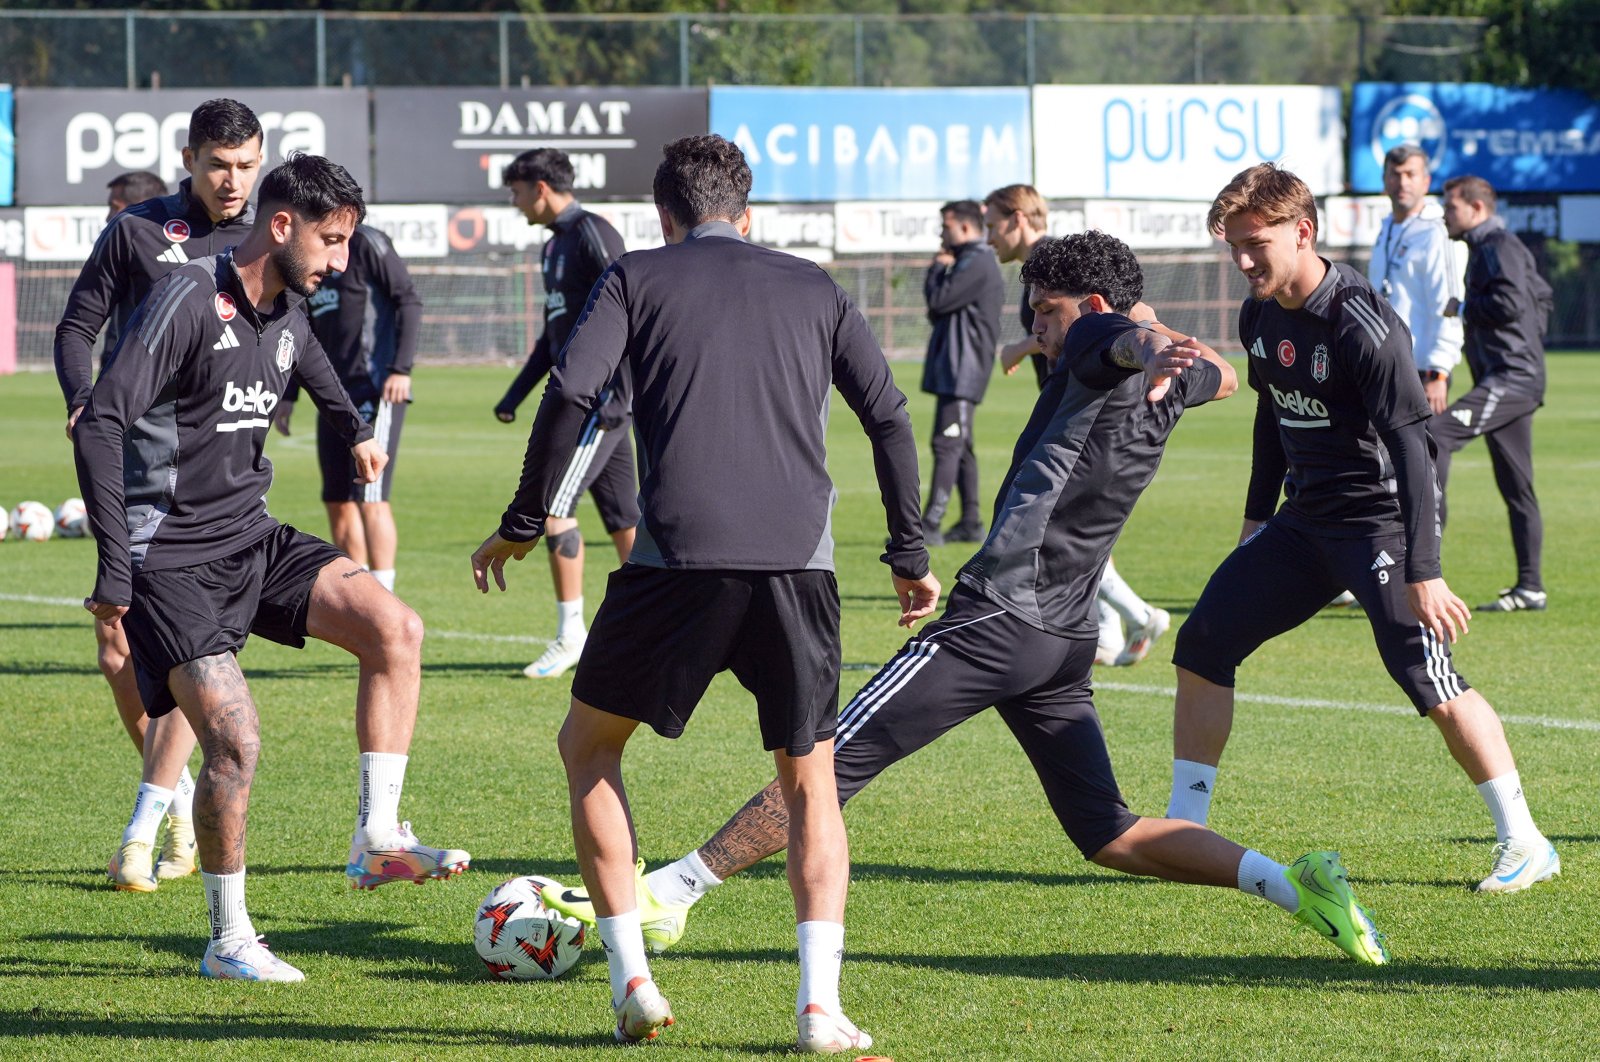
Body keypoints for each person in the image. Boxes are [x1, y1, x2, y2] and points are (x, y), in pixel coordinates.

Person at [541, 231, 1393, 976]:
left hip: (996, 619)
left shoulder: (1102, 341)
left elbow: (1110, 339)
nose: (1037, 331)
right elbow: (1219, 375)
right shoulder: (1170, 382)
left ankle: (674, 893)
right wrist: (1171, 348)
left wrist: (1136, 337)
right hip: (1063, 636)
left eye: (1044, 313)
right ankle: (1297, 885)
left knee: (823, 763)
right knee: (1108, 832)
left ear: (1091, 305)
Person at [470, 134, 940, 1051]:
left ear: (663, 215)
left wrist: (528, 518)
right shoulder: (814, 285)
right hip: (798, 571)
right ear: (747, 211)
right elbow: (887, 414)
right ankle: (818, 1009)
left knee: (590, 748)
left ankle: (632, 980)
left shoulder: (637, 275)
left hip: (672, 566)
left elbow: (571, 392)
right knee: (811, 789)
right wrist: (909, 551)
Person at [73, 153, 470, 982]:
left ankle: (376, 839)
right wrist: (116, 570)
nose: (340, 262)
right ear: (281, 225)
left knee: (396, 628)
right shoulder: (187, 299)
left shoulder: (286, 306)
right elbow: (101, 423)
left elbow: (310, 359)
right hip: (169, 556)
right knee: (235, 741)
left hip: (249, 538)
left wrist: (355, 425)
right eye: (331, 241)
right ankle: (227, 941)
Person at [1165, 163, 1557, 895]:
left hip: (1378, 526)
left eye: (1257, 243)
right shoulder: (1259, 315)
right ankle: (1186, 825)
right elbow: (1270, 417)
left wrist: (1425, 567)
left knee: (1425, 675)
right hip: (1303, 522)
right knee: (1203, 642)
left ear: (1302, 231)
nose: (1243, 260)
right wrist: (1254, 523)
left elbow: (1416, 446)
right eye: (1234, 246)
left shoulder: (1360, 323)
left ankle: (1526, 841)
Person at [54, 100, 262, 893]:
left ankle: (150, 825)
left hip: (207, 487)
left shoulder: (264, 234)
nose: (232, 180)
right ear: (190, 157)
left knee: (184, 653)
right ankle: (174, 802)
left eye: (245, 164)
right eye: (218, 164)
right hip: (124, 465)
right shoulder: (139, 230)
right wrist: (82, 399)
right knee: (119, 653)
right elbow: (78, 328)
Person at [984, 188, 1169, 665]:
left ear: (1018, 220)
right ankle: (1109, 623)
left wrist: (1021, 347)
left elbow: (1109, 322)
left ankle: (1130, 614)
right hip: (1076, 407)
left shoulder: (1057, 263)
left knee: (1054, 522)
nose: (989, 236)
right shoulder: (1046, 268)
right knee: (1065, 525)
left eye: (992, 224)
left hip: (1088, 412)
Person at [491, 148, 638, 677]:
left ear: (541, 187)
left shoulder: (593, 233)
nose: (514, 202)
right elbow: (554, 336)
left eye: (516, 191)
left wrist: (623, 391)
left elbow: (636, 304)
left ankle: (570, 635)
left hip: (601, 404)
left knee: (553, 509)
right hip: (587, 401)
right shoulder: (552, 247)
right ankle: (654, 630)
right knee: (626, 521)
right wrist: (515, 395)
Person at [273, 224, 423, 594]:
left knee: (371, 497)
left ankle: (385, 596)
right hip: (333, 398)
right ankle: (362, 593)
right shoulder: (306, 254)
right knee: (338, 500)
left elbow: (408, 299)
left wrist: (400, 368)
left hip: (375, 387)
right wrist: (289, 395)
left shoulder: (369, 242)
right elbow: (300, 330)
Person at [1435, 175, 1553, 613]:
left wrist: (1463, 308)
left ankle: (1422, 568)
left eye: (1451, 206)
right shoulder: (1492, 246)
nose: (1445, 214)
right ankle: (1531, 588)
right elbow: (1543, 295)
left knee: (1435, 436)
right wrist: (1528, 343)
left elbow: (1511, 303)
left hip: (1510, 379)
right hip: (1514, 376)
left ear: (1477, 209)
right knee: (1517, 487)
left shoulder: (1497, 246)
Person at [921, 199, 1004, 547]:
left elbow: (939, 302)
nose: (941, 234)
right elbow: (939, 310)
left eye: (946, 226)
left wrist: (938, 269)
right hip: (956, 367)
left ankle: (930, 523)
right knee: (961, 445)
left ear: (966, 227)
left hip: (963, 369)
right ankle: (971, 521)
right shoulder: (969, 261)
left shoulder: (976, 261)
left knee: (947, 444)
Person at [1369, 145, 1464, 415]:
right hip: (1384, 364)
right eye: (1395, 175)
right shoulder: (1387, 227)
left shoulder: (1437, 231)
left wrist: (1438, 372)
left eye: (1411, 174)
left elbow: (1449, 305)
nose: (1402, 182)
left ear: (1426, 181)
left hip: (1421, 369)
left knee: (1422, 457)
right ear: (1385, 181)